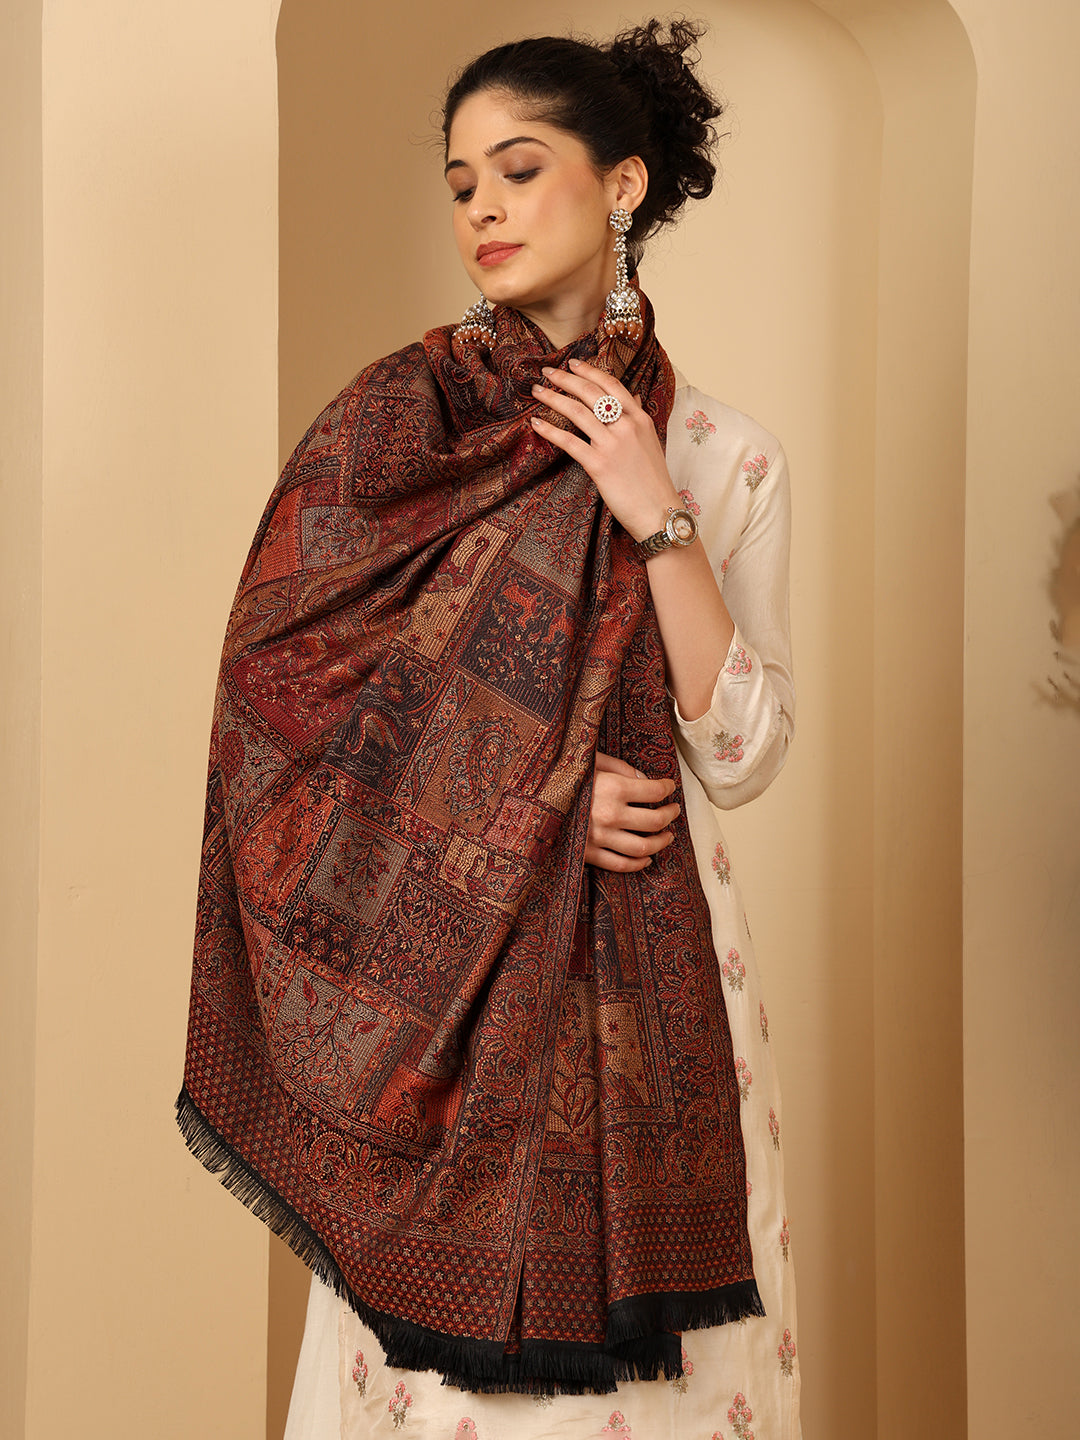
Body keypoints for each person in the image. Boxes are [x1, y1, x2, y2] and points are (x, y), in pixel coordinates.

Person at [177, 18, 799, 1439]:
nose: (485, 211)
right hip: (439, 1001)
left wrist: (655, 510)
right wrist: (542, 795)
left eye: (520, 170)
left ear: (623, 185)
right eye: (462, 185)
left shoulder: (724, 453)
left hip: (656, 990)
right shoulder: (390, 434)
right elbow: (278, 711)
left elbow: (744, 755)